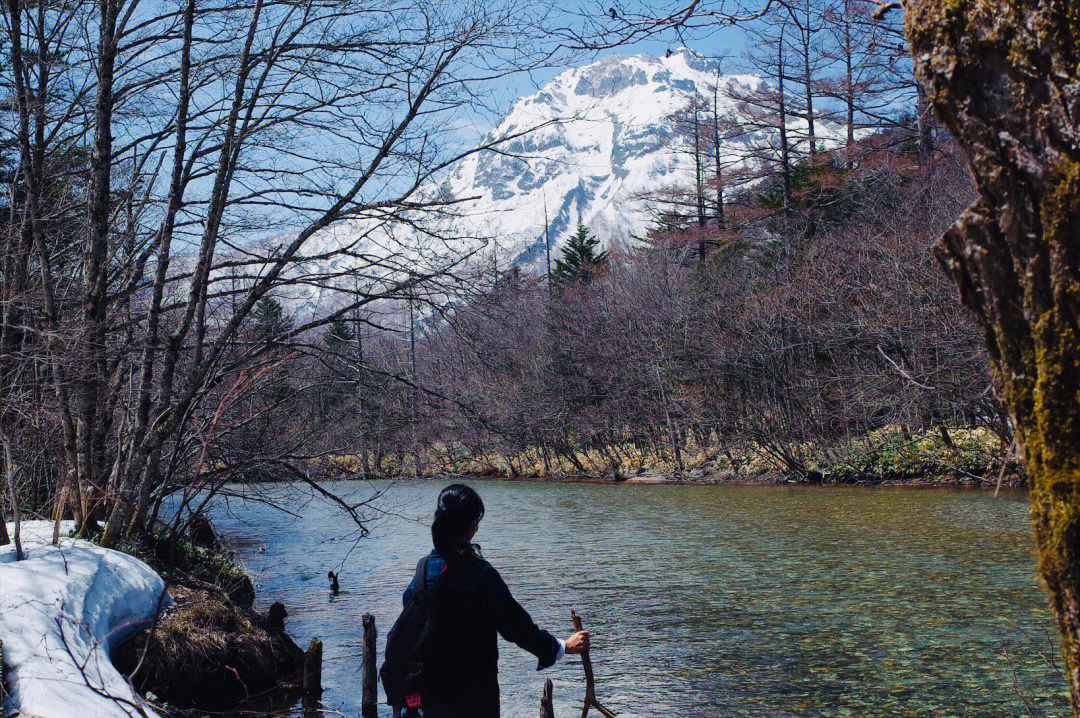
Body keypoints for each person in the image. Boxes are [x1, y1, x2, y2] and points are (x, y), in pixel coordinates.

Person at [394, 483, 589, 718]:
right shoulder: (479, 575)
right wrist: (561, 647)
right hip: (471, 701)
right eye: (477, 519)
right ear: (471, 525)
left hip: (422, 702)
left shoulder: (422, 573)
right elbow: (518, 628)